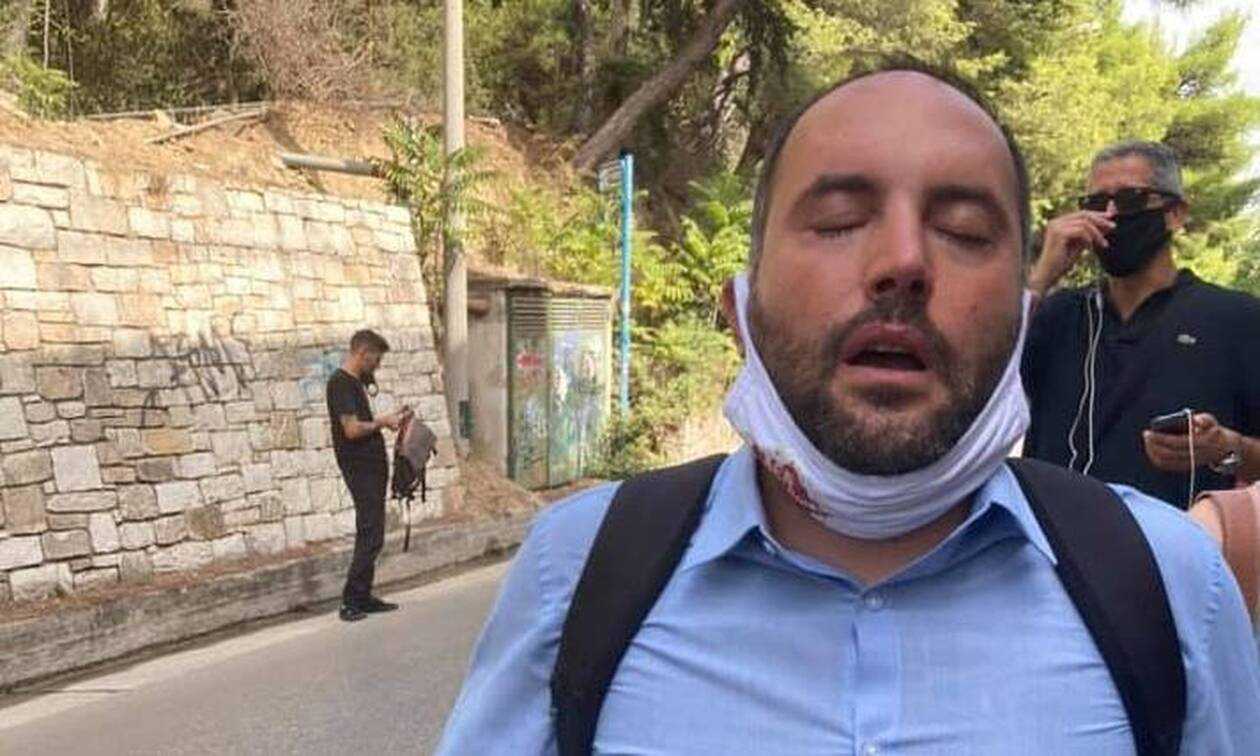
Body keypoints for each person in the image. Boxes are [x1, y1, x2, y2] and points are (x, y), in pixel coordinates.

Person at [437, 65, 1260, 754]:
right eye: (837, 222)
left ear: (1015, 318)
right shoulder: (575, 572)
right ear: (740, 308)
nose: (903, 261)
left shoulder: (1178, 587)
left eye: (964, 230)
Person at [1021, 141, 1260, 507]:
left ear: (1175, 214)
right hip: (1051, 535)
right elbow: (976, 390)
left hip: (1177, 541)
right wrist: (1040, 279)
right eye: (1096, 204)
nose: (1110, 215)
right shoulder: (1055, 315)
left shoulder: (1236, 319)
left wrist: (1228, 448)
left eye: (1130, 199)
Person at [326, 329, 411, 622]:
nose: (377, 365)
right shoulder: (340, 383)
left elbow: (362, 423)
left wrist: (391, 418)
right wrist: (382, 422)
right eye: (376, 359)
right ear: (363, 353)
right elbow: (351, 430)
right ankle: (351, 600)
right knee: (370, 531)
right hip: (359, 467)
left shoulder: (355, 383)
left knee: (375, 531)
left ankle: (363, 595)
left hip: (371, 466)